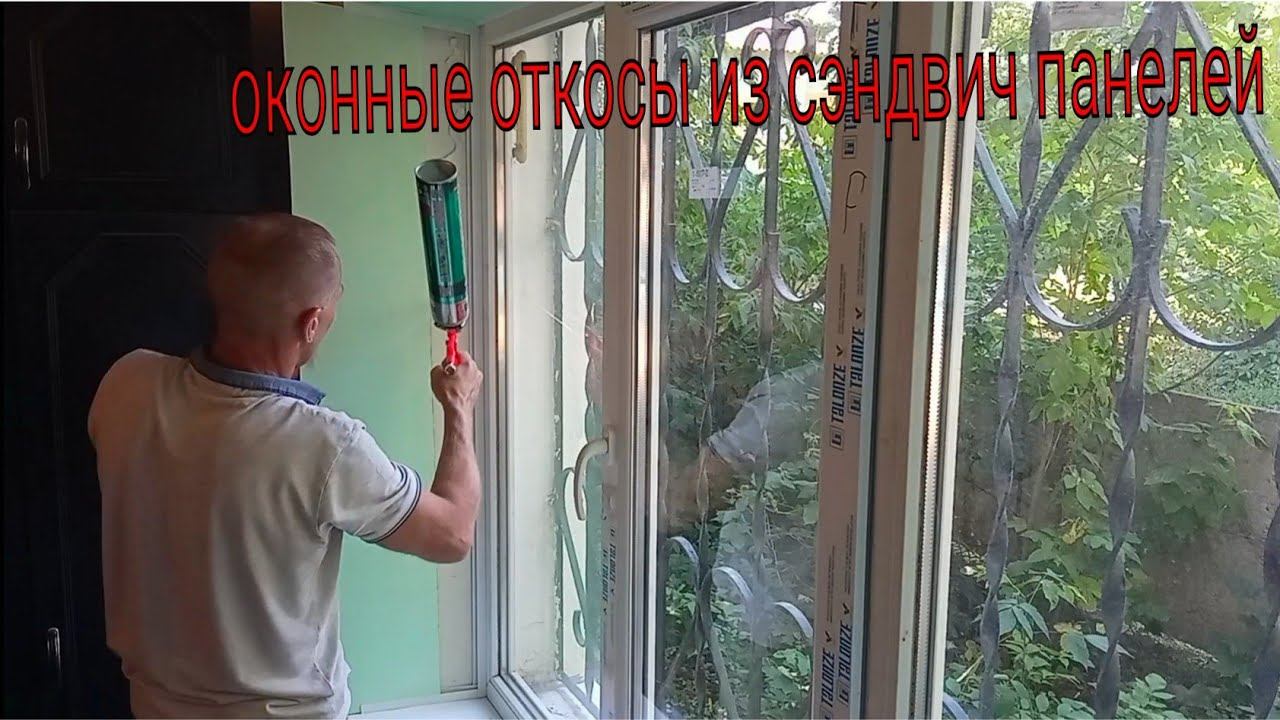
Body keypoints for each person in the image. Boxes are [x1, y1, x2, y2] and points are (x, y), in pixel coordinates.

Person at [87, 213, 483, 718]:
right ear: (311, 322)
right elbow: (453, 534)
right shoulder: (324, 445)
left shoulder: (126, 384)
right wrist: (458, 407)